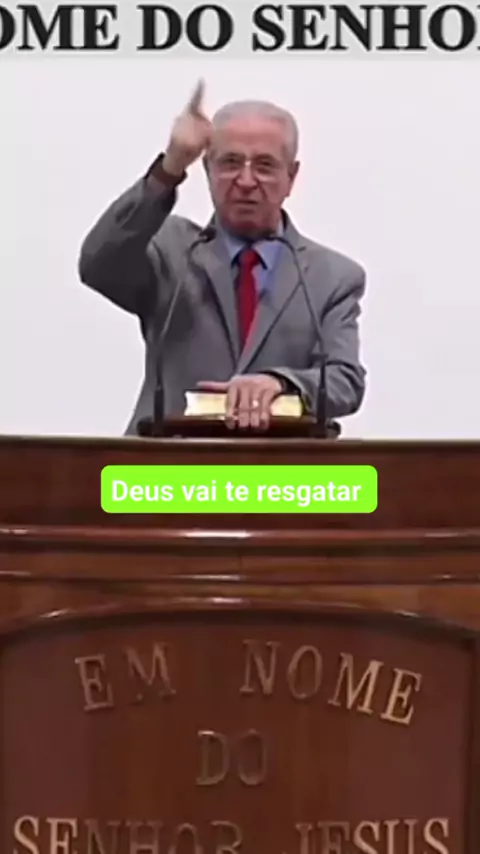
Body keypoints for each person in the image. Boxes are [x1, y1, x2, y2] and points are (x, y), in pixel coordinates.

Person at [78, 81, 367, 433]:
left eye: (264, 165)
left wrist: (281, 383)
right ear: (207, 170)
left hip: (284, 465)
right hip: (167, 461)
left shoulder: (332, 277)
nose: (245, 180)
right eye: (230, 163)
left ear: (290, 178)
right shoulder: (170, 248)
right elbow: (98, 264)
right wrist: (170, 167)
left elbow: (344, 381)